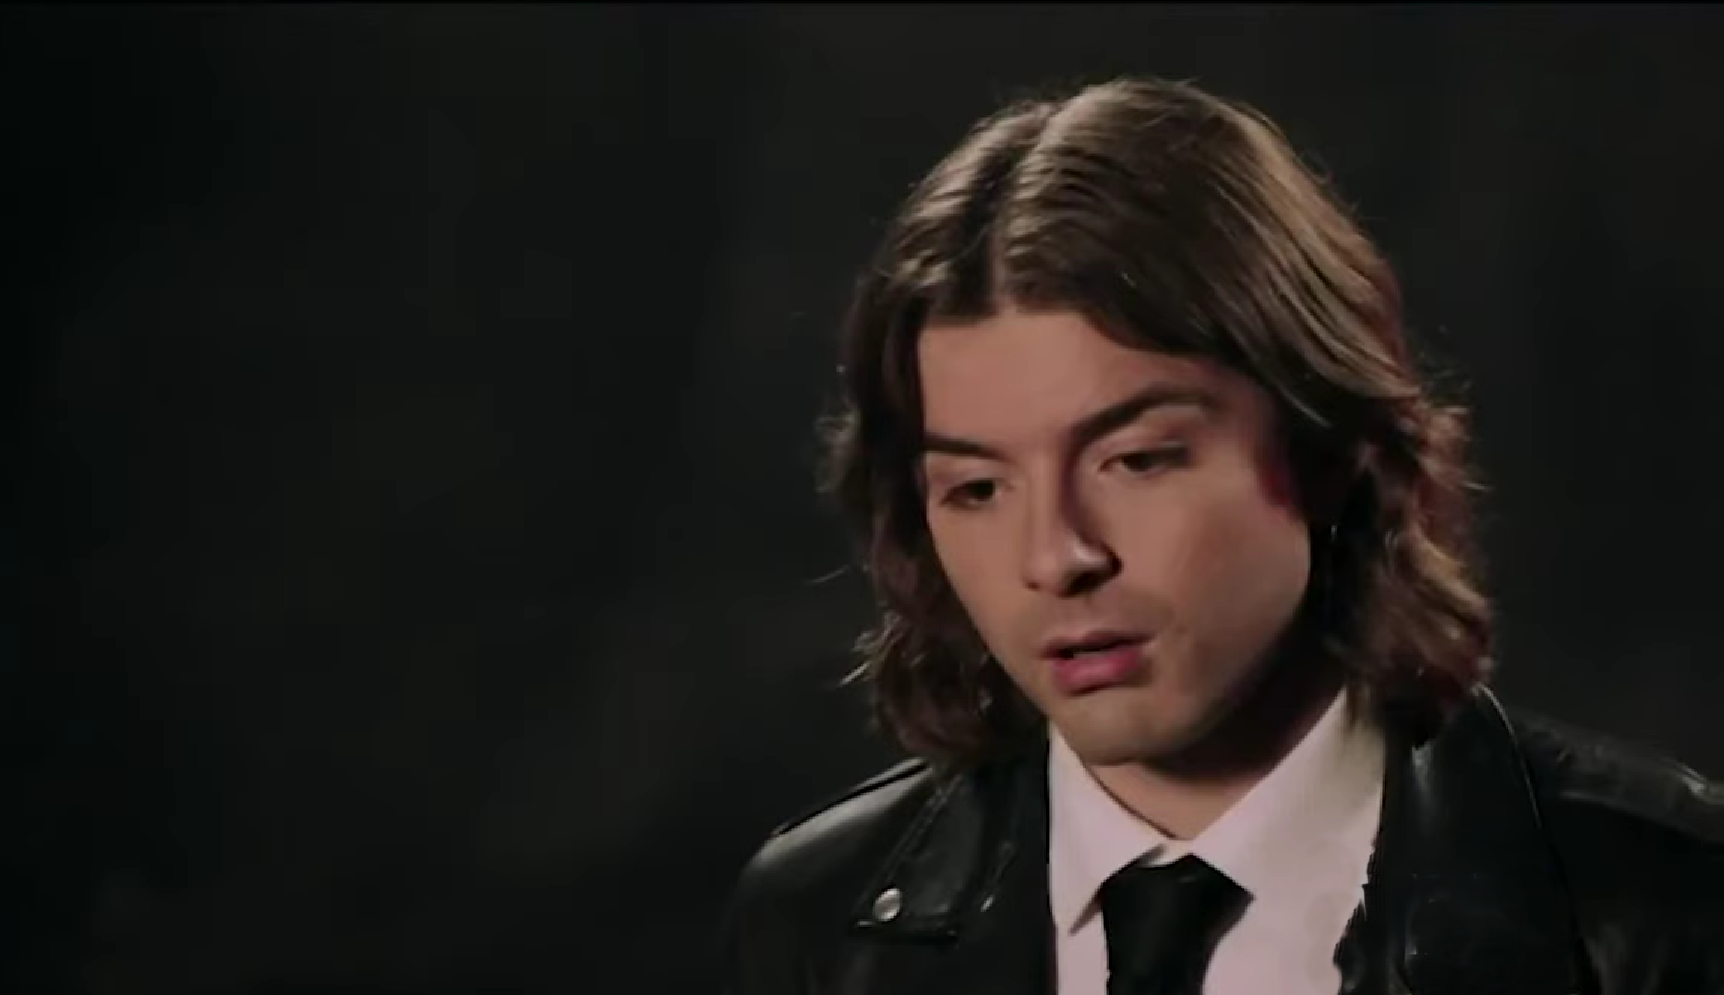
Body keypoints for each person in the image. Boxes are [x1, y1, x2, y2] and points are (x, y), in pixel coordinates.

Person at [717, 77, 1724, 995]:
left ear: (1327, 445)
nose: (1055, 556)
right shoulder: (814, 923)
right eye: (977, 486)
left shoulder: (1659, 910)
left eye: (1138, 459)